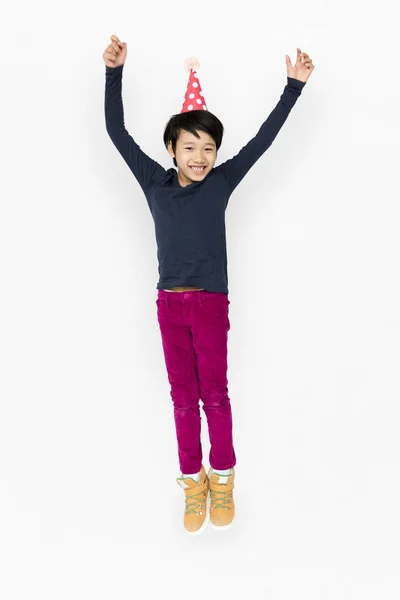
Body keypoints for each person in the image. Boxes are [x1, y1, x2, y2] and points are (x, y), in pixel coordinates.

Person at [103, 36, 315, 535]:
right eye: (191, 147)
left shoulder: (221, 181)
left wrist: (293, 88)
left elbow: (263, 140)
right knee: (181, 397)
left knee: (214, 395)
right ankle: (191, 481)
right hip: (168, 305)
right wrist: (115, 73)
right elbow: (116, 131)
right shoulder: (154, 181)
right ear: (172, 148)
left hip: (210, 305)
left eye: (209, 147)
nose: (201, 156)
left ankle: (223, 477)